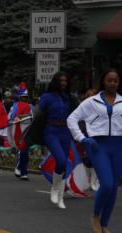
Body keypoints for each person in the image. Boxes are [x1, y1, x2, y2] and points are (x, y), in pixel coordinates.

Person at [67, 69, 122, 233]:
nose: (112, 83)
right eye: (109, 80)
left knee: (113, 188)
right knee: (106, 183)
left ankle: (104, 224)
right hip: (98, 146)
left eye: (115, 81)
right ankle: (96, 215)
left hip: (119, 146)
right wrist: (82, 138)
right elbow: (72, 119)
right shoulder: (91, 102)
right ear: (103, 82)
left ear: (118, 83)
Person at [39, 71, 77, 209]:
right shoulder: (47, 97)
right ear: (56, 81)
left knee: (64, 165)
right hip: (51, 131)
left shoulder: (69, 97)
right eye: (61, 80)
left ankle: (61, 197)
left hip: (65, 132)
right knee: (60, 160)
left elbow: (77, 114)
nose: (63, 83)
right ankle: (54, 188)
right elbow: (37, 113)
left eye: (65, 81)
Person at [10, 82, 33, 181]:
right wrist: (16, 118)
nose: (25, 99)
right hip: (18, 130)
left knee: (25, 152)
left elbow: (33, 117)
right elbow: (11, 117)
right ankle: (20, 169)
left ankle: (23, 172)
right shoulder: (14, 106)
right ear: (20, 97)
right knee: (22, 151)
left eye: (26, 97)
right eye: (23, 97)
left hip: (27, 131)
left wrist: (25, 116)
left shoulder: (30, 106)